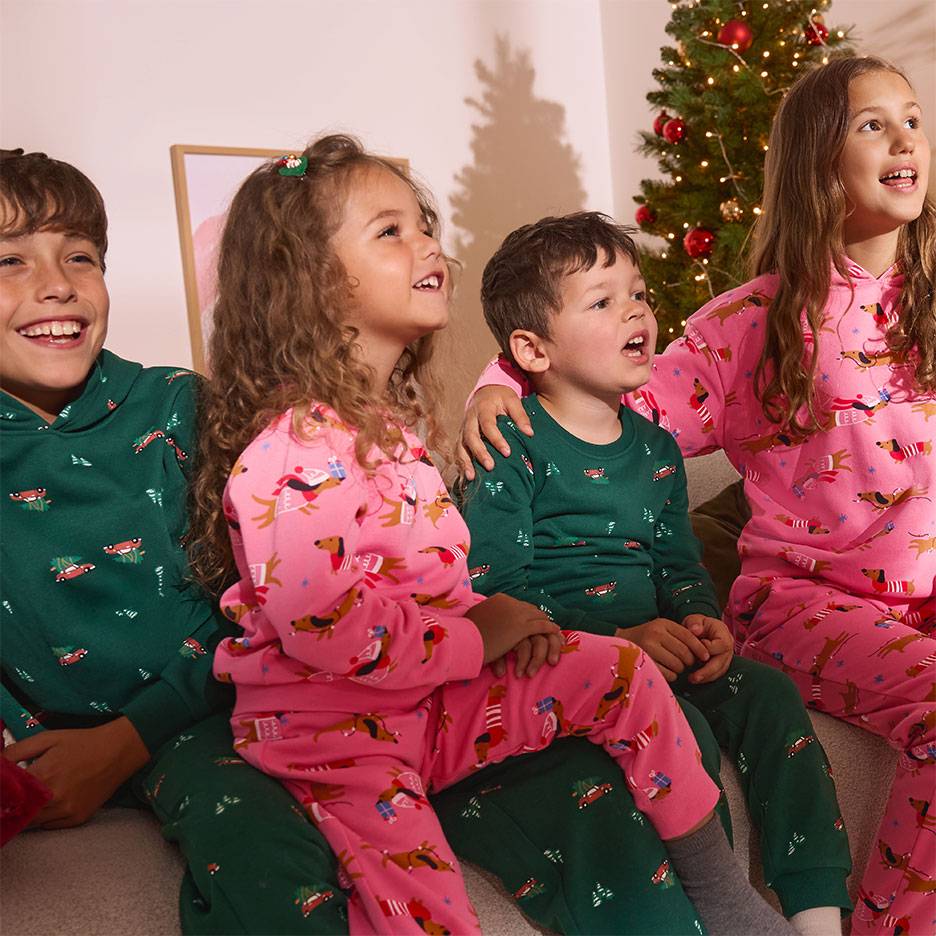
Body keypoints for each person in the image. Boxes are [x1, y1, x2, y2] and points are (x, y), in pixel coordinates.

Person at [187, 133, 793, 935]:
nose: (430, 243)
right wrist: (482, 634)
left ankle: (723, 897)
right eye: (390, 231)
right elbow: (327, 632)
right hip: (332, 735)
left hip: (436, 696)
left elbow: (435, 576)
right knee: (428, 910)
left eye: (422, 223)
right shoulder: (294, 454)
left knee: (622, 673)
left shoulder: (395, 432)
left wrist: (498, 636)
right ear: (313, 284)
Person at [461, 56, 935, 935]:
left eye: (912, 118)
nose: (906, 138)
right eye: (872, 124)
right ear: (817, 163)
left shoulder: (934, 306)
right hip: (810, 603)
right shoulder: (754, 322)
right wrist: (494, 382)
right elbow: (604, 402)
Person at [460, 211, 851, 936]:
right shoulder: (511, 443)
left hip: (660, 649)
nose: (636, 310)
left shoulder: (658, 449)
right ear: (531, 349)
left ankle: (817, 917)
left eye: (637, 293)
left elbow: (677, 561)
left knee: (768, 695)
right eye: (603, 301)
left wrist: (701, 619)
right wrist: (621, 637)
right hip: (564, 660)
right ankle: (718, 907)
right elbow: (498, 588)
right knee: (682, 733)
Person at [0, 149, 348, 934]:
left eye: (79, 257)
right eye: (10, 261)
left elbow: (250, 605)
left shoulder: (180, 409)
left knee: (270, 864)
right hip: (30, 749)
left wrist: (125, 742)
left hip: (199, 720)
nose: (56, 283)